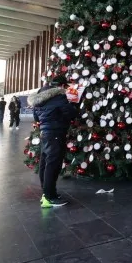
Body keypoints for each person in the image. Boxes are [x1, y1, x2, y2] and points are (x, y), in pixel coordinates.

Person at [30, 76, 78, 208]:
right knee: (53, 164)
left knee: (45, 162)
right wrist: (73, 104)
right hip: (56, 132)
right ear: (61, 85)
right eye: (65, 86)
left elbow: (36, 117)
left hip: (45, 132)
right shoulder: (59, 97)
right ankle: (49, 197)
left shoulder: (39, 97)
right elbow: (71, 113)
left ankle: (46, 193)